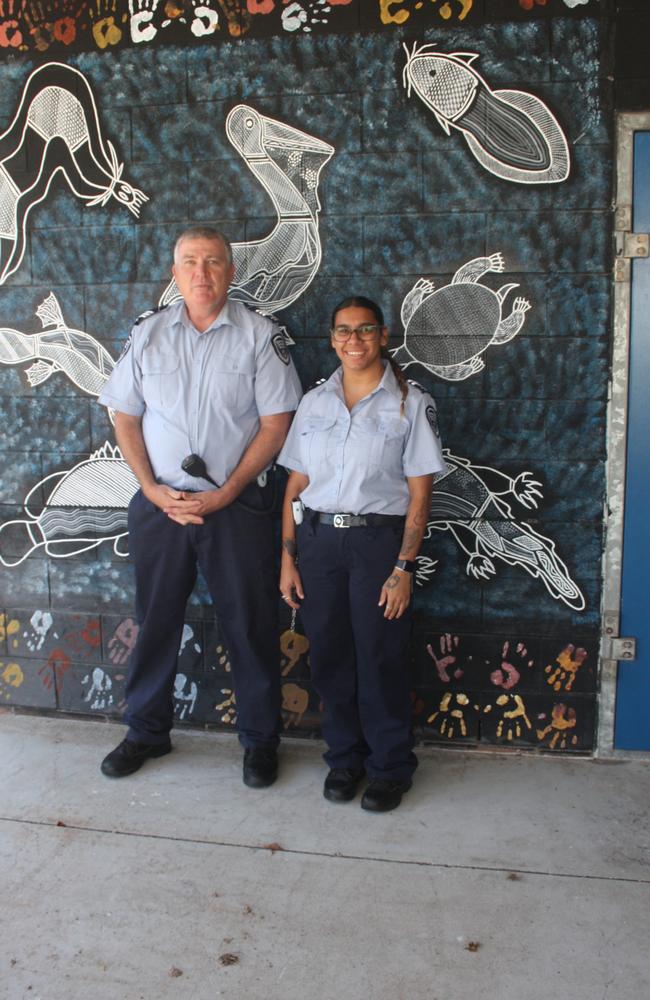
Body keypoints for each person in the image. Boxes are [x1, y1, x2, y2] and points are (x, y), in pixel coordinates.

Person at [97, 226, 302, 787]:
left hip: (235, 507)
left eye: (213, 262)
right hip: (160, 506)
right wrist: (150, 488)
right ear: (174, 273)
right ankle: (145, 731)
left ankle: (260, 741)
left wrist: (229, 491)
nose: (202, 273)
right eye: (190, 262)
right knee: (155, 621)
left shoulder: (261, 337)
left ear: (232, 272)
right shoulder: (148, 336)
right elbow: (125, 417)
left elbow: (277, 424)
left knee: (249, 623)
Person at [278, 296, 445, 812]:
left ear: (383, 336)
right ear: (332, 339)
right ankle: (344, 760)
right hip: (320, 544)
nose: (354, 340)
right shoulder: (313, 403)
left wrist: (403, 567)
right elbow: (296, 485)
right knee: (329, 656)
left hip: (379, 545)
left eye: (365, 330)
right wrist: (288, 558)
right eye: (344, 331)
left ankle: (390, 767)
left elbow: (420, 495)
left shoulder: (409, 403)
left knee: (380, 657)